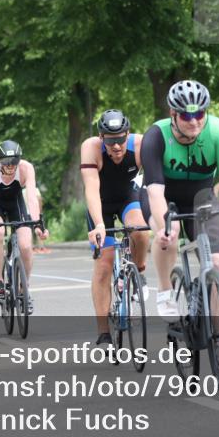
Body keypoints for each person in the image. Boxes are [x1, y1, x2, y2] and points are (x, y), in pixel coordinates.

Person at [140, 80, 219, 331]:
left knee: (216, 262)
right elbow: (155, 193)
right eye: (186, 115)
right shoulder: (155, 136)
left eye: (200, 113)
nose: (194, 121)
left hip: (201, 197)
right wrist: (164, 227)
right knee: (167, 238)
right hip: (163, 195)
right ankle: (164, 291)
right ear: (173, 114)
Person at [81, 109, 151, 346]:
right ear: (102, 138)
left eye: (121, 139)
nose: (117, 146)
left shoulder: (141, 145)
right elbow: (91, 188)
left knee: (141, 230)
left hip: (127, 198)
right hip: (99, 205)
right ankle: (104, 332)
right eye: (111, 141)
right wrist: (99, 224)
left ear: (128, 134)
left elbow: (153, 184)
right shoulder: (90, 148)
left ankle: (139, 271)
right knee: (104, 262)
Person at [0, 140, 48, 314]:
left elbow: (32, 199)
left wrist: (38, 225)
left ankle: (24, 287)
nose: (11, 167)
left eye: (14, 163)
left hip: (16, 205)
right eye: (6, 163)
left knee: (26, 245)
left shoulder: (26, 168)